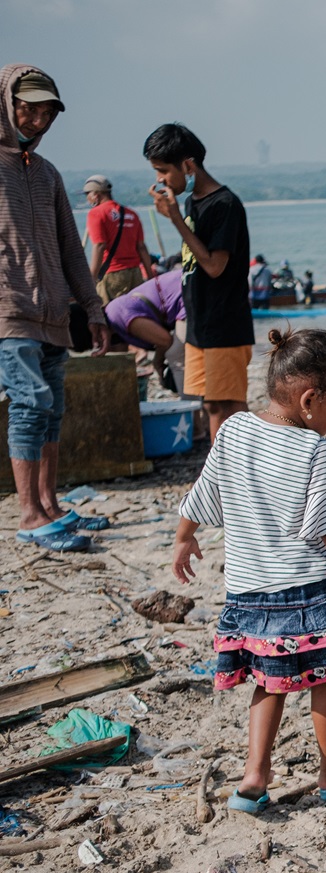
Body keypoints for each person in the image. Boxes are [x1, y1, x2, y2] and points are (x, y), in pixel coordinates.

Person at [172, 327, 326, 814]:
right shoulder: (313, 450)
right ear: (310, 400)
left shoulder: (233, 428)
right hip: (308, 592)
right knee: (325, 678)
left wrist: (185, 534)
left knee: (268, 683)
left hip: (249, 595)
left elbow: (206, 486)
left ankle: (254, 775)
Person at [1, 64, 109, 553]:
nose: (39, 119)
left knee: (51, 410)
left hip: (55, 315)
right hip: (11, 311)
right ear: (7, 103)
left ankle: (48, 506)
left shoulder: (46, 174)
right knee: (29, 405)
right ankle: (28, 515)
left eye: (48, 112)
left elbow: (71, 249)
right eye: (30, 108)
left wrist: (92, 307)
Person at [145, 122, 254, 444]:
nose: (159, 180)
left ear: (188, 165)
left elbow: (215, 266)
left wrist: (176, 220)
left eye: (163, 170)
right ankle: (223, 478)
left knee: (227, 406)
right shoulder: (192, 202)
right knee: (208, 404)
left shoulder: (224, 204)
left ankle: (230, 479)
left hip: (225, 322)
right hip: (200, 322)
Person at [104, 268, 186, 393]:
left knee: (175, 355)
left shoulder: (116, 315)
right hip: (180, 293)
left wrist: (157, 362)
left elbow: (165, 340)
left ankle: (192, 409)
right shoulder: (114, 323)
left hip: (184, 292)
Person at [83, 175, 153, 303]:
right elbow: (141, 247)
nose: (87, 198)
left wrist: (91, 279)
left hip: (112, 275)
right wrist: (150, 276)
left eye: (87, 194)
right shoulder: (131, 214)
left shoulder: (96, 213)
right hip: (135, 273)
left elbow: (99, 246)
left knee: (111, 316)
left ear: (95, 194)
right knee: (135, 314)